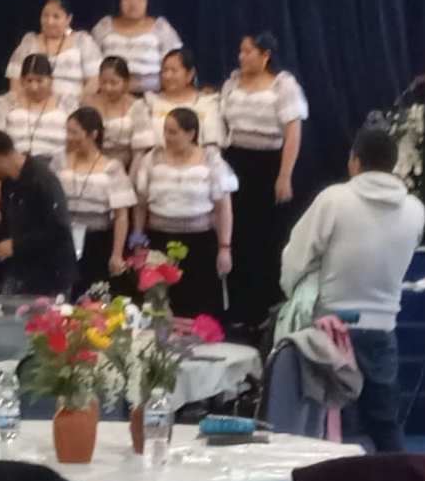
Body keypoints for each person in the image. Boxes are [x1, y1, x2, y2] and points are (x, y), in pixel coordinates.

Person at [277, 125, 425, 451]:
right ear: (394, 164)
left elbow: (295, 258)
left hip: (331, 330)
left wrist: (294, 294)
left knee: (330, 427)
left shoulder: (334, 200)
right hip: (383, 331)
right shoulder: (416, 210)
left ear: (354, 162)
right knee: (385, 424)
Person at [215, 33, 310, 328]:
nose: (241, 56)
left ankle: (267, 310)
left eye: (248, 51)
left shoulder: (283, 85)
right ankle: (239, 309)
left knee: (266, 239)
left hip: (268, 165)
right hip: (235, 162)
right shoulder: (232, 84)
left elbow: (293, 132)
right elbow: (221, 124)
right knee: (237, 236)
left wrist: (285, 175)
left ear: (265, 54)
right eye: (240, 51)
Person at [137, 106, 236, 323]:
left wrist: (224, 248)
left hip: (200, 243)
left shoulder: (211, 161)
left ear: (191, 134)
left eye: (173, 132)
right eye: (165, 131)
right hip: (159, 242)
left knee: (199, 309)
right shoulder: (152, 159)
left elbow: (224, 209)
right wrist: (138, 240)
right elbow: (141, 206)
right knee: (161, 306)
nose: (167, 137)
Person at [0, 130, 73, 298]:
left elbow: (59, 229)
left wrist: (16, 245)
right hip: (21, 267)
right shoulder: (8, 183)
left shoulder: (43, 180)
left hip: (50, 272)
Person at [55, 108, 138, 291]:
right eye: (67, 131)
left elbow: (121, 216)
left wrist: (117, 254)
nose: (69, 137)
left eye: (74, 132)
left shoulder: (112, 168)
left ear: (93, 134)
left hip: (97, 241)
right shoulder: (59, 162)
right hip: (63, 238)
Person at [89, 0, 181, 94]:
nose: (133, 3)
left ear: (148, 1)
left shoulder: (161, 28)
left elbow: (177, 63)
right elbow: (90, 64)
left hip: (153, 96)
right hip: (109, 95)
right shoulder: (104, 27)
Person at [0, 55, 74, 162]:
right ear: (22, 80)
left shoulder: (66, 104)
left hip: (57, 165)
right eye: (29, 81)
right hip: (17, 165)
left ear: (51, 80)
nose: (34, 87)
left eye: (39, 81)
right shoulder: (7, 103)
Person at [6, 0, 100, 93]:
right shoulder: (29, 43)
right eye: (45, 16)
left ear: (68, 19)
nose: (49, 22)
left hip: (76, 105)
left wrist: (80, 105)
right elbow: (15, 81)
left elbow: (94, 80)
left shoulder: (83, 42)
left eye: (56, 17)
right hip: (32, 105)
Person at [81, 57, 156, 169]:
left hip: (126, 167)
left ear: (126, 82)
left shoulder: (138, 107)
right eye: (103, 82)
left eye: (114, 83)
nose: (108, 88)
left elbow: (140, 153)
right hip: (90, 167)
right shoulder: (88, 104)